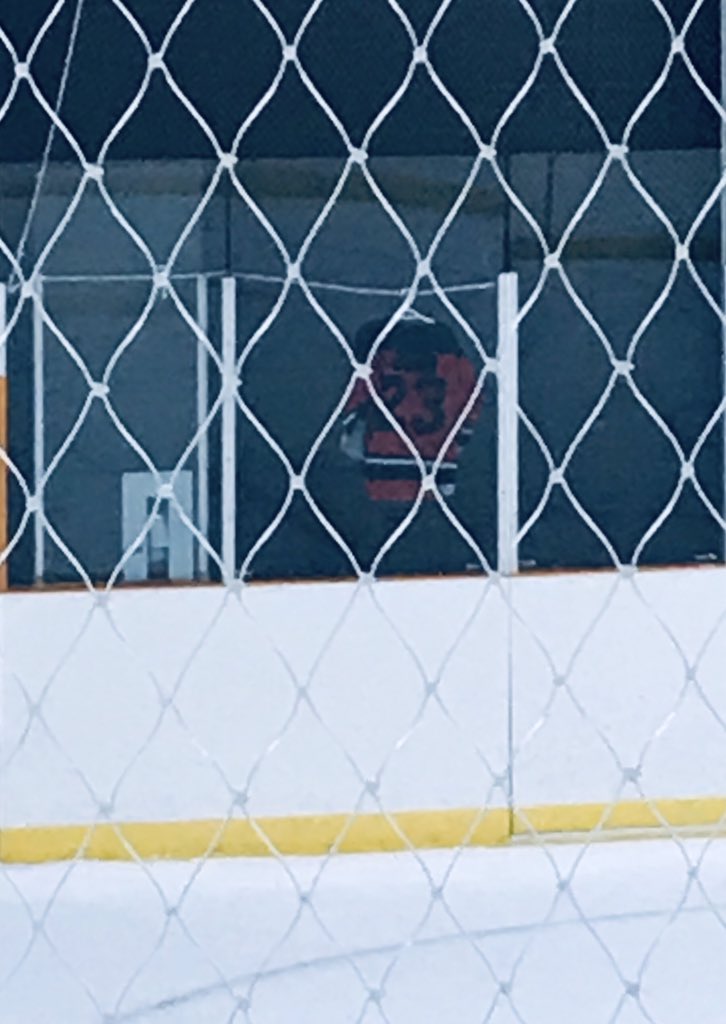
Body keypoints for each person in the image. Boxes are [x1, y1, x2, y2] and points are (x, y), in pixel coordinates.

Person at [340, 314, 482, 504]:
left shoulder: (374, 346)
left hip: (381, 476)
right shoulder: (453, 353)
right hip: (437, 478)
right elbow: (472, 404)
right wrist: (456, 444)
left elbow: (355, 408)